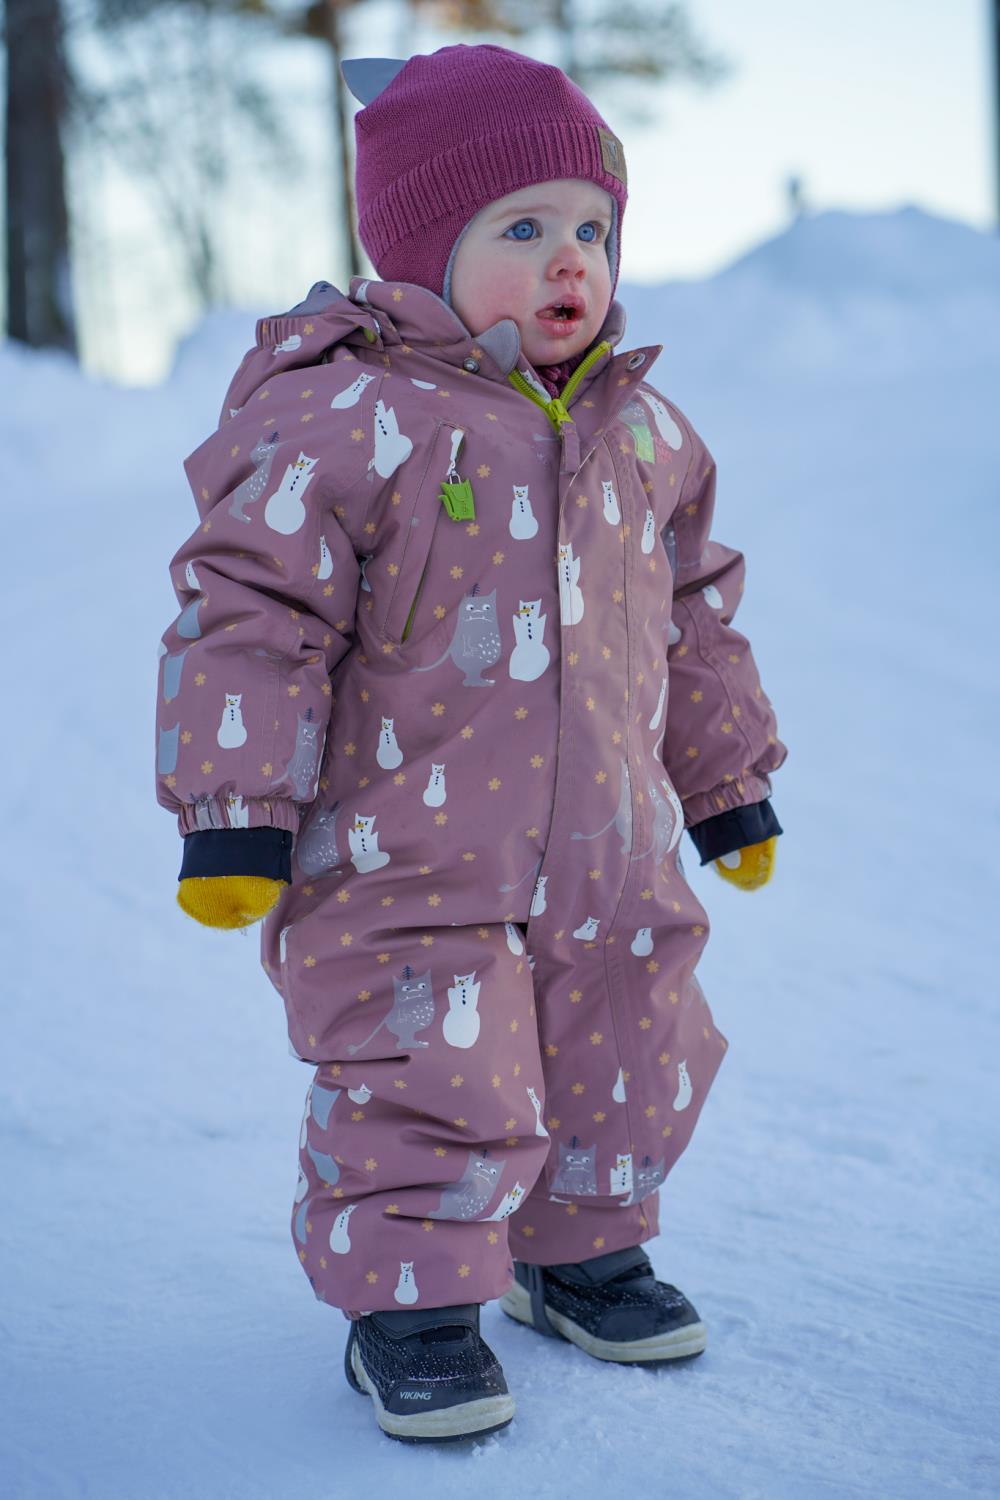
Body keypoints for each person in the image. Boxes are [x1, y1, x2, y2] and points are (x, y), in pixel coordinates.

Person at [153, 42, 787, 1444]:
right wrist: (236, 808)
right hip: (404, 850)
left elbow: (693, 621)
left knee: (630, 1030)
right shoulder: (344, 418)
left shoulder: (649, 434)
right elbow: (246, 617)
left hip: (609, 845)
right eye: (523, 228)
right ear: (419, 245)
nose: (572, 259)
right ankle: (413, 1299)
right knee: (432, 1059)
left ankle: (580, 1250)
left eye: (593, 229)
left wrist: (727, 786)